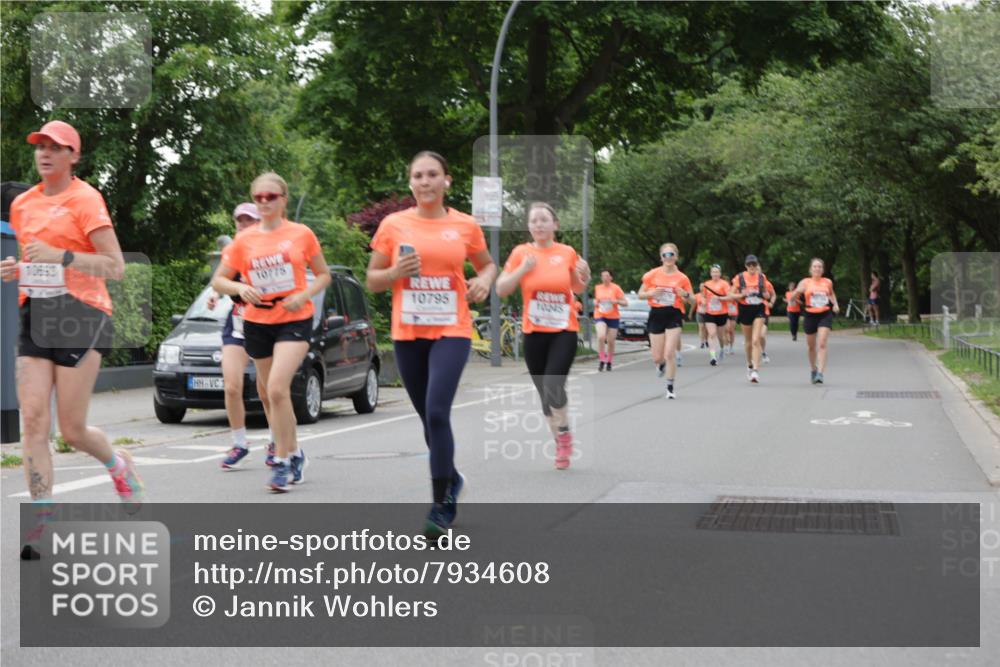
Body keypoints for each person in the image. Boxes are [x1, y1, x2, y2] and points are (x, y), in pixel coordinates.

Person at [2, 121, 143, 560]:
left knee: (73, 430)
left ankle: (118, 466)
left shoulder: (86, 200)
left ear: (73, 156)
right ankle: (42, 519)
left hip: (83, 314)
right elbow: (37, 264)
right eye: (40, 146)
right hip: (37, 313)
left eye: (55, 147)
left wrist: (63, 255)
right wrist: (19, 272)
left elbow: (114, 267)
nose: (44, 153)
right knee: (33, 421)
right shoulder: (22, 206)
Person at [366, 151, 496, 538]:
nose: (425, 181)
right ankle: (451, 476)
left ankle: (441, 506)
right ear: (411, 183)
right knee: (427, 417)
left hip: (451, 328)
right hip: (408, 332)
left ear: (446, 181)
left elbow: (487, 264)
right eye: (418, 175)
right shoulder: (393, 225)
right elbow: (373, 279)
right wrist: (394, 272)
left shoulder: (465, 225)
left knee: (438, 412)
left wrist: (484, 281)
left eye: (432, 175)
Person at [212, 172, 331, 492]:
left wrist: (304, 295)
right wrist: (239, 286)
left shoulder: (301, 234)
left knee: (278, 389)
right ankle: (295, 453)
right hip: (257, 321)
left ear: (283, 200)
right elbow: (219, 280)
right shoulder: (244, 241)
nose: (265, 202)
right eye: (259, 197)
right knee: (270, 394)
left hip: (294, 317)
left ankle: (279, 463)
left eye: (271, 197)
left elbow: (323, 275)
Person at [497, 202, 590, 470]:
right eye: (534, 220)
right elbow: (502, 289)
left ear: (555, 225)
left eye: (543, 220)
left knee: (553, 383)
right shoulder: (520, 253)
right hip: (534, 332)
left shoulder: (567, 252)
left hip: (563, 330)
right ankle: (560, 440)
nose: (538, 224)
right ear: (529, 226)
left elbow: (577, 287)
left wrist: (585, 275)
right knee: (545, 394)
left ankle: (563, 436)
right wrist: (522, 270)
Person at [209, 203, 278, 469]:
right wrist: (215, 295)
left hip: (265, 321)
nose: (243, 224)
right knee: (232, 385)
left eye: (249, 220)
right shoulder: (233, 251)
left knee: (267, 390)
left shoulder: (268, 249)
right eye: (240, 220)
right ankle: (239, 443)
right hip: (238, 322)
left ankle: (275, 442)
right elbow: (220, 279)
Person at [639, 243, 694, 399]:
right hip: (656, 314)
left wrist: (684, 294)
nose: (668, 258)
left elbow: (693, 301)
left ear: (676, 257)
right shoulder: (652, 274)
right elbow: (640, 294)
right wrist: (651, 293)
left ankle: (670, 387)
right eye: (665, 255)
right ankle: (660, 364)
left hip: (674, 314)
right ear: (661, 257)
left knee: (669, 353)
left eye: (671, 255)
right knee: (657, 357)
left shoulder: (682, 278)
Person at [790, 258, 839, 384]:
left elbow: (831, 294)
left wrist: (835, 304)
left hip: (825, 314)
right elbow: (793, 296)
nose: (817, 269)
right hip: (810, 315)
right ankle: (813, 369)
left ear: (822, 270)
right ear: (810, 269)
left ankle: (820, 373)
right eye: (815, 267)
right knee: (811, 346)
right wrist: (797, 292)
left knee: (822, 343)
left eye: (819, 267)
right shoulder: (805, 282)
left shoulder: (827, 282)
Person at [730, 254, 771, 384]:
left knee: (755, 340)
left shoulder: (761, 277)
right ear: (746, 266)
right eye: (749, 265)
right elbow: (731, 294)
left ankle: (755, 371)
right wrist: (741, 294)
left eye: (754, 264)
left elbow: (767, 294)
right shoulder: (739, 278)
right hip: (745, 309)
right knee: (748, 341)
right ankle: (749, 364)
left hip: (758, 308)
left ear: (757, 265)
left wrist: (765, 295)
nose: (752, 267)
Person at [593, 268, 627, 371]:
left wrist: (616, 301)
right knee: (601, 336)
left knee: (611, 341)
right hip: (600, 315)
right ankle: (602, 359)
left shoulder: (616, 288)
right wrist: (595, 302)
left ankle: (609, 361)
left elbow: (625, 303)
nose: (605, 278)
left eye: (607, 276)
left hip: (613, 317)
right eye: (603, 276)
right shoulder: (598, 288)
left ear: (611, 277)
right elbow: (596, 300)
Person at [699, 264, 731, 366]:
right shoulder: (707, 284)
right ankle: (713, 356)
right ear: (710, 273)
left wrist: (720, 299)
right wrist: (703, 302)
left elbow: (730, 297)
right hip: (709, 312)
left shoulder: (724, 284)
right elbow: (703, 296)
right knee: (712, 334)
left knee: (720, 336)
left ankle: (722, 348)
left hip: (722, 313)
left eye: (717, 272)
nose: (715, 274)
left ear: (720, 273)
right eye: (713, 272)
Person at [759, 272, 777, 365]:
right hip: (750, 312)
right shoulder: (746, 282)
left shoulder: (767, 283)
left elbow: (773, 295)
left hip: (764, 312)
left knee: (761, 335)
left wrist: (771, 303)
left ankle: (763, 352)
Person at [723, 273, 737, 354]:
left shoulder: (733, 289)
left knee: (731, 330)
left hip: (733, 312)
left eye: (726, 282)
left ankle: (731, 347)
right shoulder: (721, 290)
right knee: (726, 329)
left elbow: (738, 298)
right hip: (725, 312)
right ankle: (726, 346)